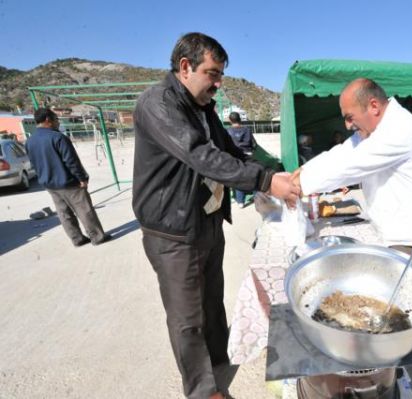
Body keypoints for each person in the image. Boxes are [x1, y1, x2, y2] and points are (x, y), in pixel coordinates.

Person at [132, 32, 299, 399]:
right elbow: (200, 156)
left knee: (211, 300)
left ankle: (218, 358)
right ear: (185, 67)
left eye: (220, 74)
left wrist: (277, 172)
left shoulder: (203, 107)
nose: (218, 83)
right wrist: (268, 183)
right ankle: (203, 390)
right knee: (186, 318)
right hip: (173, 231)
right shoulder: (158, 104)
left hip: (205, 220)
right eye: (212, 73)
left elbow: (228, 152)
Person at [292, 78, 412, 265]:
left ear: (374, 106)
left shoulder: (401, 129)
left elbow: (349, 166)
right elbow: (342, 153)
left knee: (399, 293)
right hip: (388, 231)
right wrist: (301, 171)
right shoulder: (373, 130)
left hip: (407, 239)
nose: (347, 125)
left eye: (349, 117)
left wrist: (297, 185)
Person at [25, 107, 111, 247]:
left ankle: (77, 239)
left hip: (50, 184)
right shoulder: (58, 137)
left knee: (64, 213)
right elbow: (71, 161)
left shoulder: (30, 141)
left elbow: (34, 163)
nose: (58, 122)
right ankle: (97, 237)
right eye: (56, 119)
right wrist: (82, 178)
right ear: (48, 120)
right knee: (84, 210)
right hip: (69, 183)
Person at [226, 111, 254, 208]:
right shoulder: (247, 130)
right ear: (240, 119)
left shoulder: (227, 131)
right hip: (248, 154)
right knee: (252, 175)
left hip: (235, 156)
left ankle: (240, 201)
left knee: (239, 177)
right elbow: (254, 144)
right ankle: (257, 196)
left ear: (230, 120)